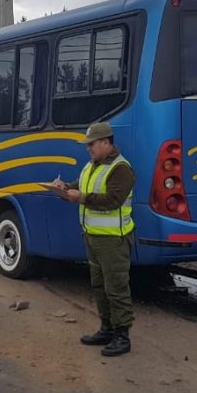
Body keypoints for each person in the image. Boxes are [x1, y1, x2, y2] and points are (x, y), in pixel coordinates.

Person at [52, 121, 136, 357]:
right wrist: (64, 188)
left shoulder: (121, 169)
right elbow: (80, 186)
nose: (88, 148)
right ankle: (107, 328)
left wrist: (80, 197)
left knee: (116, 287)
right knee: (99, 286)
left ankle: (122, 335)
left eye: (92, 144)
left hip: (113, 240)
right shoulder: (92, 165)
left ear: (106, 143)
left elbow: (112, 200)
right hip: (92, 236)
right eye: (87, 145)